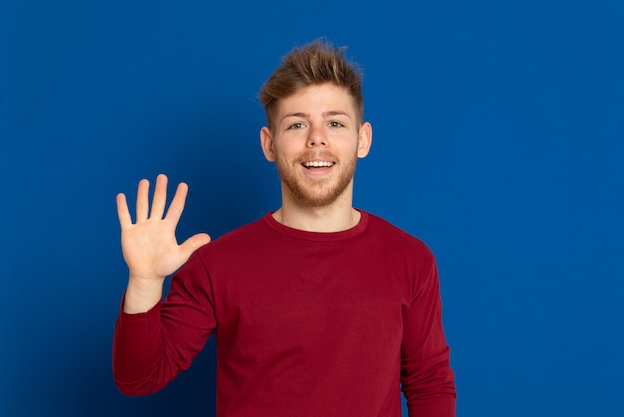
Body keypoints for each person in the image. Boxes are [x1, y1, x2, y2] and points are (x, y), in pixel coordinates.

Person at [113, 40, 456, 416]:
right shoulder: (217, 264)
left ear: (363, 139)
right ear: (269, 144)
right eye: (297, 125)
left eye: (335, 123)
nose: (316, 139)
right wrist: (144, 283)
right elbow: (139, 378)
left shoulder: (411, 260)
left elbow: (429, 384)